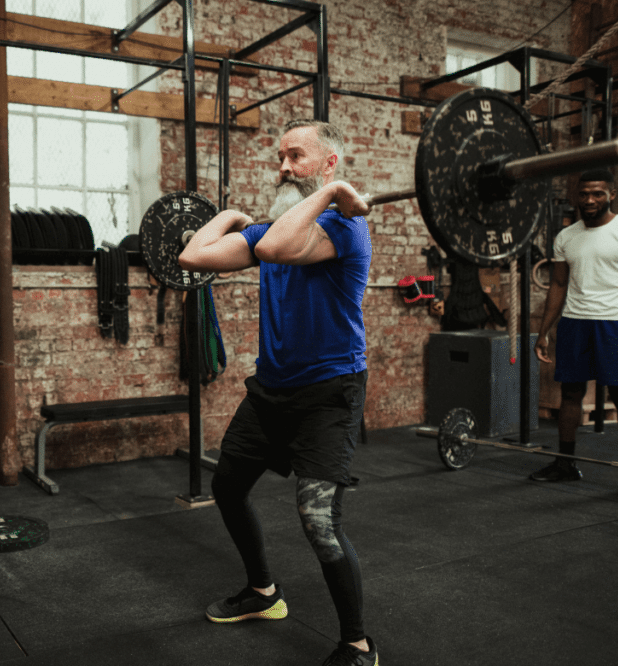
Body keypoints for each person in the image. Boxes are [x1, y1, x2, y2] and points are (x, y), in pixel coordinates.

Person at [178, 120, 377, 666]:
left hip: (329, 393)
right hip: (272, 390)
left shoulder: (343, 227)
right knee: (227, 485)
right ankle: (263, 592)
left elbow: (283, 247)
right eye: (281, 157)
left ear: (330, 163)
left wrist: (335, 198)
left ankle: (358, 644)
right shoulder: (269, 232)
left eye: (297, 157)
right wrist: (231, 218)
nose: (284, 167)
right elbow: (191, 259)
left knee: (319, 523)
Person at [533, 169, 618, 503]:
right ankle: (566, 464)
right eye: (584, 194)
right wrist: (544, 332)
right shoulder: (566, 236)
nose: (589, 200)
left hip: (616, 323)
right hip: (574, 322)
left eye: (597, 193)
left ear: (611, 194)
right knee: (570, 395)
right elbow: (557, 285)